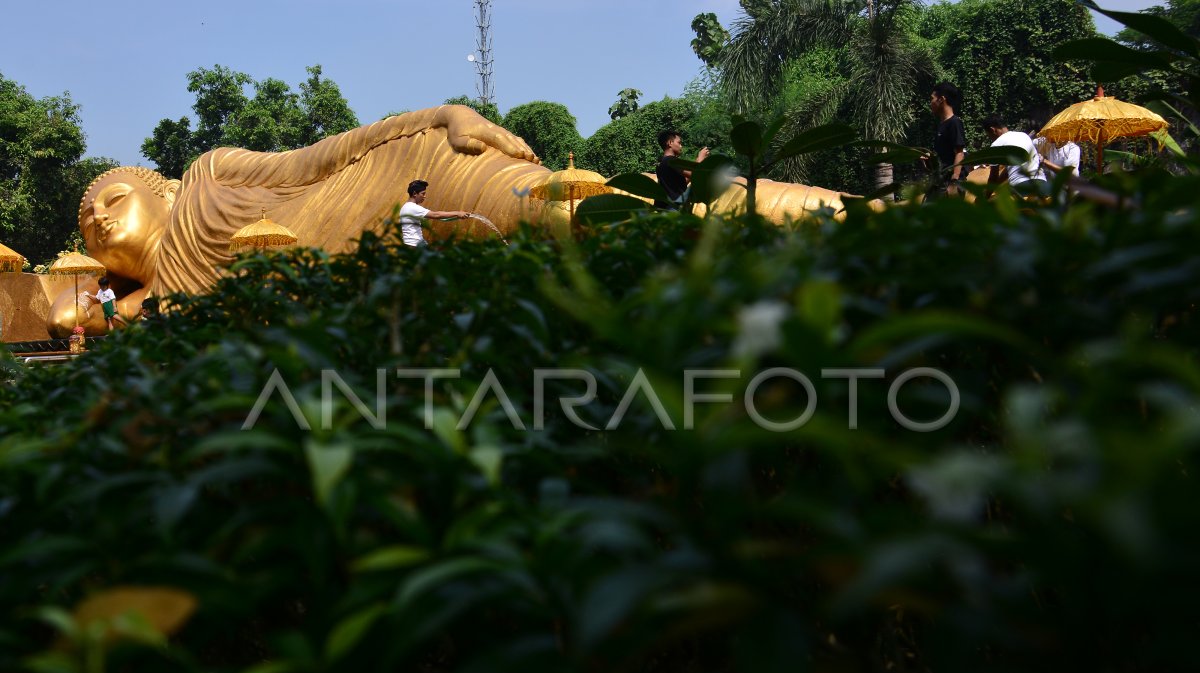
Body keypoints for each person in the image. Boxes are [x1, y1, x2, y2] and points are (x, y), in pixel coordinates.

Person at [52, 106, 860, 336]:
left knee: (598, 212)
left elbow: (318, 158)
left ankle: (853, 221)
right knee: (601, 224)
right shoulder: (145, 309)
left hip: (405, 184)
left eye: (109, 198)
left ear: (154, 190)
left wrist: (443, 112)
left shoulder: (210, 175)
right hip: (389, 265)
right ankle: (855, 227)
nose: (94, 217)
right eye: (85, 220)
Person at [981, 115, 1044, 192]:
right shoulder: (1023, 135)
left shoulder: (996, 145)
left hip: (1021, 185)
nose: (990, 138)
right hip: (1042, 182)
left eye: (989, 135)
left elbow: (993, 177)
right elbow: (1011, 169)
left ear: (993, 130)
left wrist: (984, 197)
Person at [399, 180, 472, 247]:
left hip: (411, 245)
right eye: (423, 194)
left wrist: (457, 216)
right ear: (415, 193)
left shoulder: (406, 207)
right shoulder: (412, 207)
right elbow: (436, 215)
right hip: (414, 246)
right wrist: (457, 213)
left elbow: (439, 217)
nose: (425, 196)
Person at [926, 82, 966, 198]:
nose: (931, 103)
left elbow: (959, 153)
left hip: (950, 183)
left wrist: (954, 182)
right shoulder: (941, 125)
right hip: (941, 181)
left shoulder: (954, 123)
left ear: (941, 99)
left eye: (932, 99)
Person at [655, 131, 710, 208]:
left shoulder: (662, 162)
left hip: (665, 206)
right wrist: (700, 158)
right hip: (673, 207)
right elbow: (695, 174)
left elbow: (683, 181)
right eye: (679, 143)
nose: (681, 146)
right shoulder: (672, 161)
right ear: (670, 143)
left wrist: (698, 161)